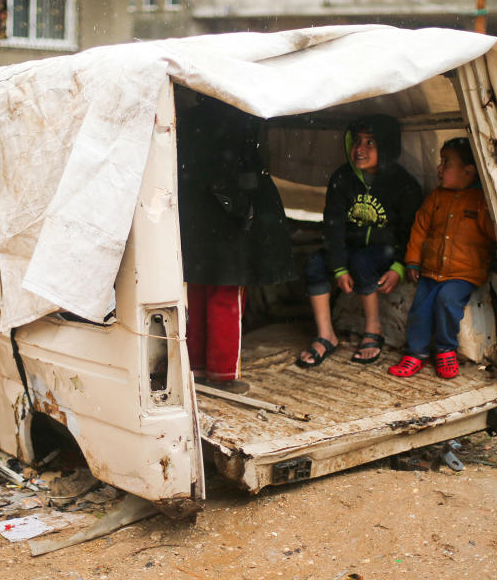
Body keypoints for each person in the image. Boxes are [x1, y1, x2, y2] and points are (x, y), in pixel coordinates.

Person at [178, 95, 295, 394]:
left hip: (194, 220)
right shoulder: (236, 118)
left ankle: (196, 368)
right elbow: (226, 176)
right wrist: (244, 210)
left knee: (200, 292)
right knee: (227, 296)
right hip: (226, 225)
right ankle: (223, 375)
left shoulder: (189, 119)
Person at [297, 115, 422, 368]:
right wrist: (339, 267)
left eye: (370, 143)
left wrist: (399, 266)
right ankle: (326, 334)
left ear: (386, 147)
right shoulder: (342, 178)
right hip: (349, 249)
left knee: (362, 260)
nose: (359, 149)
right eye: (356, 141)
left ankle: (373, 329)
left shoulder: (403, 184)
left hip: (383, 251)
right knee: (314, 263)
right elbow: (333, 226)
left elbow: (410, 231)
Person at [388, 137, 497, 379]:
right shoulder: (436, 197)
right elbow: (419, 229)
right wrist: (413, 261)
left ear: (468, 172)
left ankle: (445, 349)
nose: (439, 168)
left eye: (446, 163)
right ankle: (415, 353)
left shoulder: (480, 201)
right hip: (430, 271)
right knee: (420, 309)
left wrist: (490, 211)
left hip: (463, 273)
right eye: (441, 162)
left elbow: (494, 234)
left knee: (447, 302)